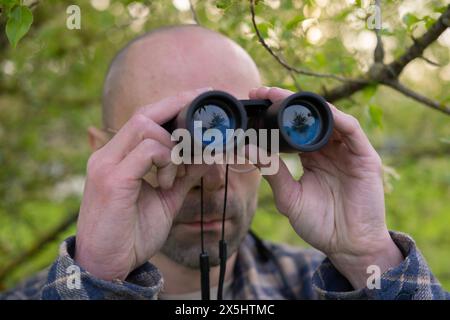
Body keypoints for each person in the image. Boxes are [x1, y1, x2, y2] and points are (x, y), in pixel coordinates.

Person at [2, 25, 448, 300]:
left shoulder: (317, 286)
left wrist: (368, 256)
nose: (212, 177)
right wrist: (95, 282)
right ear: (101, 151)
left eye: (239, 137)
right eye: (177, 138)